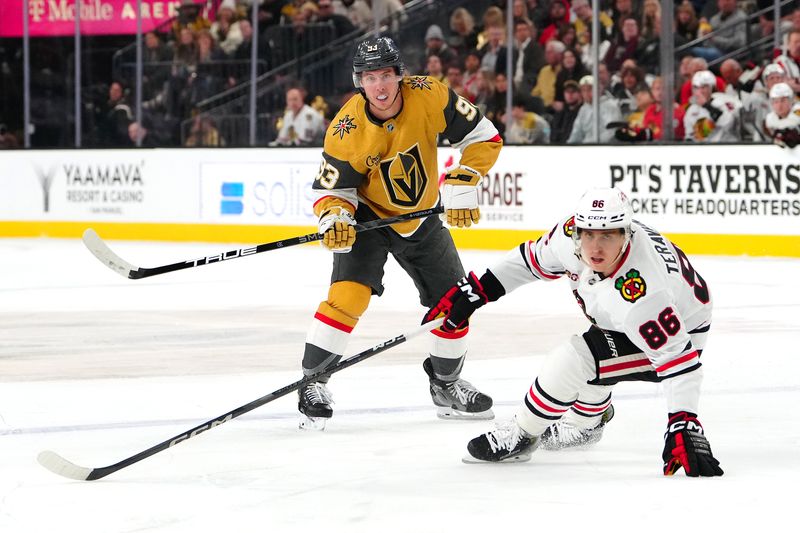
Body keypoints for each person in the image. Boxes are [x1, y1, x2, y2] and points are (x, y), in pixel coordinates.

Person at [423, 187, 724, 477]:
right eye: (589, 234)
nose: (595, 247)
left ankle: (522, 434)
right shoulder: (569, 236)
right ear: (577, 230)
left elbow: (678, 358)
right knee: (596, 349)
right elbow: (530, 261)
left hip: (685, 332)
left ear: (626, 234)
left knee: (575, 359)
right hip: (629, 318)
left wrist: (683, 422)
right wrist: (479, 289)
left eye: (608, 235)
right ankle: (588, 422)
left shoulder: (642, 294)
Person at [297, 36, 502, 429]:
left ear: (400, 75)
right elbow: (332, 190)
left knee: (456, 303)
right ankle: (312, 382)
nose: (380, 86)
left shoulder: (430, 94)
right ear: (359, 81)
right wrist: (336, 216)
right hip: (370, 219)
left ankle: (446, 383)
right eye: (370, 77)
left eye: (387, 75)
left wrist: (465, 176)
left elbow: (484, 136)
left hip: (421, 215)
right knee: (346, 299)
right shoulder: (346, 129)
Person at [683, 69, 741, 142]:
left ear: (712, 88)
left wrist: (706, 106)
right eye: (696, 87)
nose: (699, 91)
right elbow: (689, 136)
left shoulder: (725, 101)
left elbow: (728, 124)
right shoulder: (691, 109)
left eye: (703, 87)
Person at [763, 82, 800, 148]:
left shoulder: (798, 111)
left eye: (783, 101)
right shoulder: (770, 118)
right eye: (776, 101)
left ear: (791, 100)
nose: (779, 105)